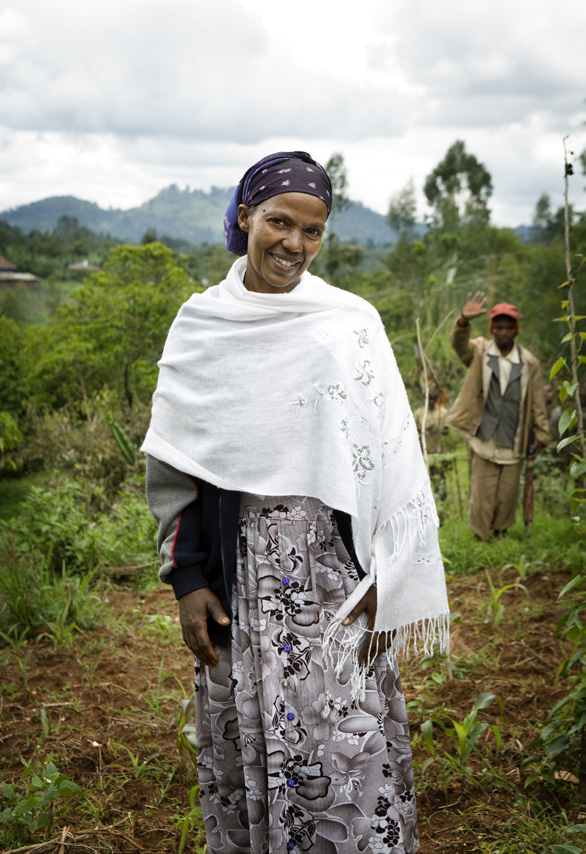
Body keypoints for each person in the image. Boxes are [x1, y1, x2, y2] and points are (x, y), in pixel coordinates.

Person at [142, 151, 449, 854]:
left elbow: (394, 458)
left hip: (335, 576)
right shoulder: (202, 326)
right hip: (240, 577)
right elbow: (178, 469)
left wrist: (390, 579)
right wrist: (187, 580)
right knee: (249, 738)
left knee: (345, 744)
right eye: (280, 222)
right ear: (245, 216)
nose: (295, 244)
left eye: (313, 231)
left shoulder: (348, 323)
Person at [446, 291, 551, 539]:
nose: (503, 332)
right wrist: (463, 322)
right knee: (482, 493)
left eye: (508, 327)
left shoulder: (529, 363)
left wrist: (542, 435)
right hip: (484, 435)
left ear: (515, 330)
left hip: (514, 435)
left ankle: (502, 533)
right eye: (498, 327)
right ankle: (480, 537)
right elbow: (460, 345)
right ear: (492, 329)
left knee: (507, 493)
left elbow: (537, 402)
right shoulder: (480, 352)